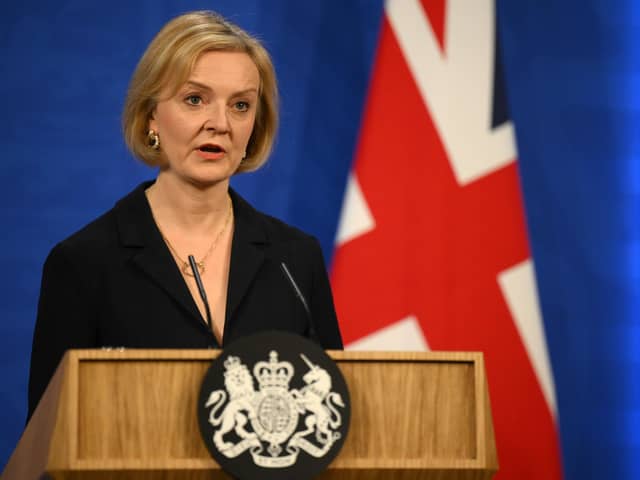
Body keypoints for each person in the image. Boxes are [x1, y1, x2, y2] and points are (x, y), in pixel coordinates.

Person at [27, 11, 343, 420]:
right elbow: (48, 440)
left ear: (255, 126)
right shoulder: (84, 264)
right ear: (151, 116)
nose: (219, 124)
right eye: (195, 99)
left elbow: (333, 416)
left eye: (241, 105)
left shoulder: (295, 260)